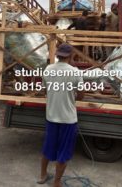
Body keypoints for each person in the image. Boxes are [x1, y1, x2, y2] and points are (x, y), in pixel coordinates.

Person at [38, 44, 84, 187]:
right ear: (70, 56)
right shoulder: (75, 72)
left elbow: (44, 91)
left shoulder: (48, 70)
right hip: (68, 119)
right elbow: (81, 95)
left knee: (48, 148)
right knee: (64, 152)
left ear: (57, 55)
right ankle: (57, 182)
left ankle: (42, 176)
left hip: (51, 116)